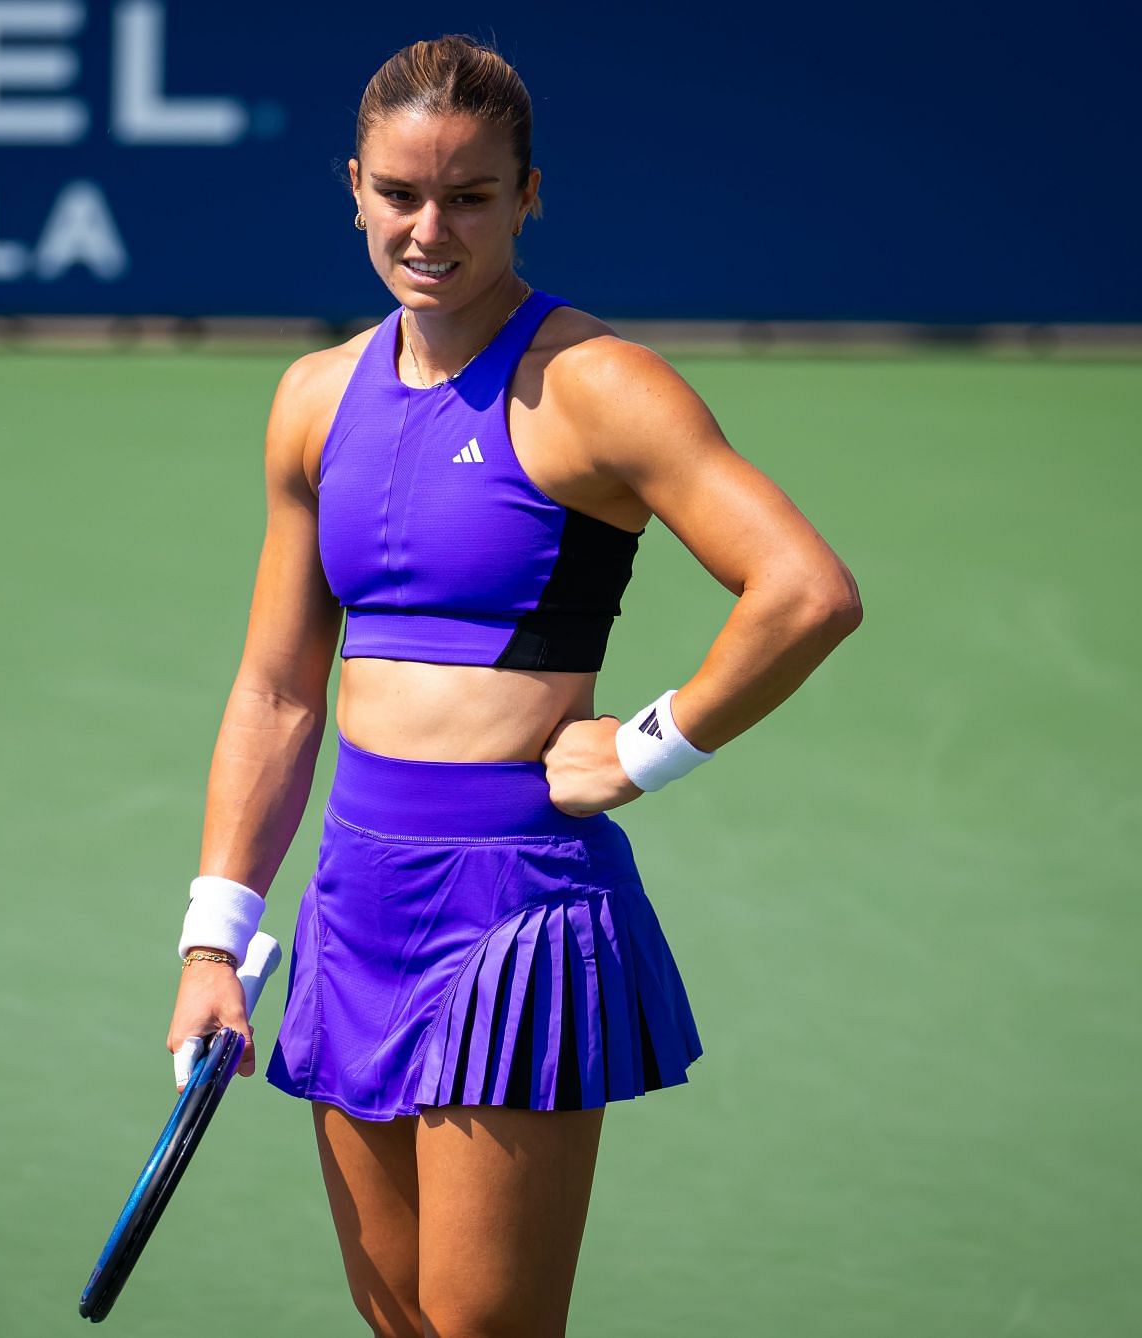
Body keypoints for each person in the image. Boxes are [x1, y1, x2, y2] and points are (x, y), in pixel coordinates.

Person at [163, 34, 861, 1338]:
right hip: (352, 902)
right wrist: (214, 937)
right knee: (402, 1323)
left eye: (472, 196)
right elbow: (275, 692)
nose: (432, 228)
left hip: (516, 914)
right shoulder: (315, 400)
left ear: (528, 195)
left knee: (482, 1330)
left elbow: (806, 590)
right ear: (356, 186)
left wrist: (652, 745)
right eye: (402, 194)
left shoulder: (598, 385)